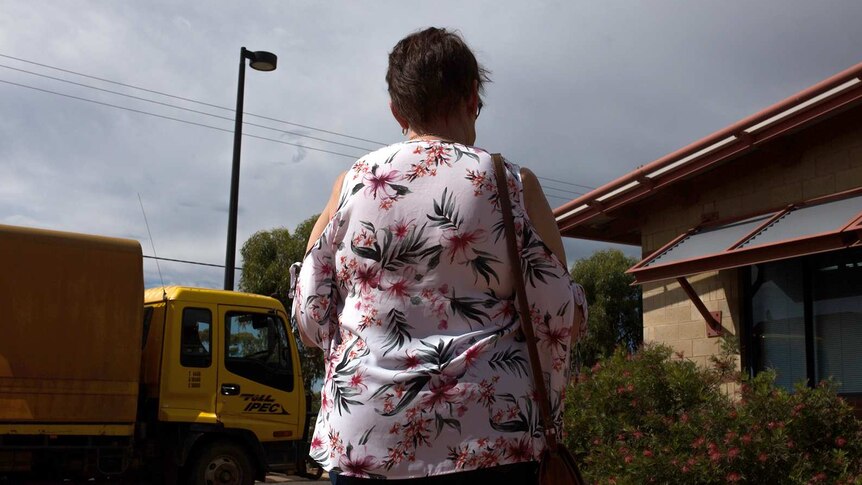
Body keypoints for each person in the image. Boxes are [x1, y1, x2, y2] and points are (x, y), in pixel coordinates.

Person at [292, 27, 588, 484]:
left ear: (396, 109)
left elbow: (312, 312)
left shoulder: (352, 183)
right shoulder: (511, 185)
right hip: (491, 438)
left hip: (366, 439)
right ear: (473, 97)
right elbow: (557, 314)